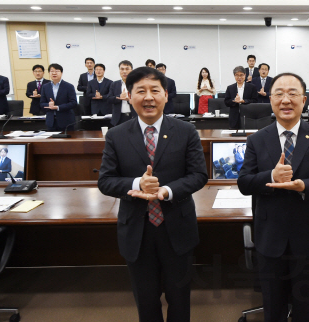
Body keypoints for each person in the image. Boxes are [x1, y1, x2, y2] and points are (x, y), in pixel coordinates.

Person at [98, 66, 208, 322]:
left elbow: (198, 175)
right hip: (137, 230)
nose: (148, 97)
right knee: (145, 299)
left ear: (166, 95)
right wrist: (138, 184)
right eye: (141, 91)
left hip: (177, 227)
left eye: (155, 90)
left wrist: (166, 191)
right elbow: (105, 181)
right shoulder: (116, 135)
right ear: (129, 95)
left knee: (179, 296)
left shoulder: (186, 131)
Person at [238, 72, 309, 322]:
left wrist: (303, 186)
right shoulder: (256, 139)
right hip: (270, 235)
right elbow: (244, 183)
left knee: (306, 307)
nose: (286, 100)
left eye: (292, 93)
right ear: (271, 100)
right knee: (273, 307)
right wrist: (271, 176)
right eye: (279, 94)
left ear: (304, 100)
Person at [40, 63, 77, 131]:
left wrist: (58, 107)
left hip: (66, 121)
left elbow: (73, 103)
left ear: (61, 73)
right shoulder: (45, 87)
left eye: (57, 71)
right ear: (49, 73)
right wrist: (49, 105)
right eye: (52, 71)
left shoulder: (69, 86)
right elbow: (42, 103)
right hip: (51, 121)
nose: (54, 73)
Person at [108, 60, 136, 126]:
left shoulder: (136, 84)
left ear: (132, 70)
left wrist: (129, 100)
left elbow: (141, 99)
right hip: (118, 118)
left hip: (133, 116)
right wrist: (119, 96)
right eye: (122, 69)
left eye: (127, 69)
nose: (124, 71)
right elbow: (109, 99)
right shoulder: (114, 84)